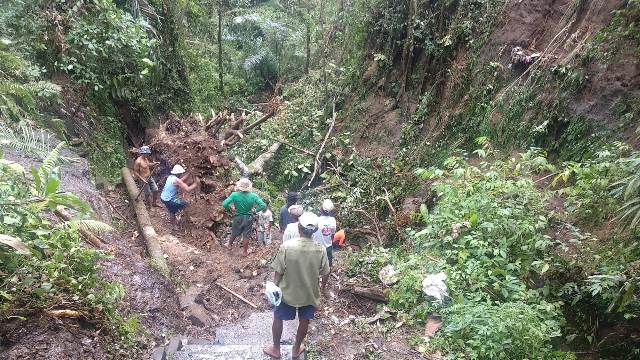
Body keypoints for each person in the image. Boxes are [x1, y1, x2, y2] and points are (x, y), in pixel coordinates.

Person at [264, 212, 330, 359]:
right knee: (304, 320)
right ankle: (296, 349)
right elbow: (326, 272)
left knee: (278, 318)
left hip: (287, 293)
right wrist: (322, 289)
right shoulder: (321, 249)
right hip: (309, 293)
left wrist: (274, 289)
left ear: (299, 228)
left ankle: (276, 348)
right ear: (315, 231)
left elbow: (278, 271)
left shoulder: (286, 247)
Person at [222, 178, 266, 256]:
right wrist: (255, 211)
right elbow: (263, 205)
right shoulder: (253, 196)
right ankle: (245, 252)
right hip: (248, 217)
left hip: (238, 216)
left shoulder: (234, 195)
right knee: (246, 235)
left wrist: (231, 209)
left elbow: (224, 204)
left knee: (234, 232)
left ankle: (229, 245)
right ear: (249, 187)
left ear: (240, 186)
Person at [160, 165, 199, 229]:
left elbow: (180, 180)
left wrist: (189, 174)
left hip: (163, 198)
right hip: (169, 199)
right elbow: (188, 189)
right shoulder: (177, 181)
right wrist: (196, 183)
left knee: (172, 211)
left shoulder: (171, 177)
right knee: (186, 204)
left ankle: (174, 226)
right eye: (181, 173)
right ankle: (187, 219)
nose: (182, 174)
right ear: (179, 173)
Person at [133, 145, 161, 209]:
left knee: (156, 190)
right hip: (143, 178)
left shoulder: (145, 158)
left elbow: (148, 165)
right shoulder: (138, 161)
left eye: (148, 153)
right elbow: (135, 172)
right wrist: (142, 179)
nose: (148, 155)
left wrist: (154, 163)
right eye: (147, 153)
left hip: (149, 177)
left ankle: (154, 203)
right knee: (147, 193)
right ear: (143, 153)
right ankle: (149, 206)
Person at [313, 199, 337, 268]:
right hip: (328, 246)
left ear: (321, 209)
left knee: (316, 266)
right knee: (328, 267)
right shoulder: (333, 220)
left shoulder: (316, 220)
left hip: (317, 247)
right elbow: (332, 233)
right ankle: (325, 278)